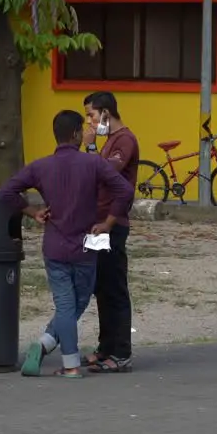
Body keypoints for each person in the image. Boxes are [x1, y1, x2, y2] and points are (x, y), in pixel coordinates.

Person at [0, 110, 135, 378]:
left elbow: (6, 192)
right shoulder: (92, 164)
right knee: (79, 301)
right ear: (76, 134)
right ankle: (65, 358)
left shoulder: (40, 166)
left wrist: (31, 211)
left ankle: (52, 348)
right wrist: (108, 223)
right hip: (88, 241)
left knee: (65, 304)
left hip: (54, 243)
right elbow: (125, 190)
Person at [80, 91, 139, 374]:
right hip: (97, 222)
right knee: (100, 288)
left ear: (105, 113)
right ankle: (106, 346)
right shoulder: (108, 143)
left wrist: (90, 148)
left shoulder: (124, 140)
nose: (90, 123)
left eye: (91, 115)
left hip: (112, 226)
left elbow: (108, 174)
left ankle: (121, 352)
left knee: (114, 289)